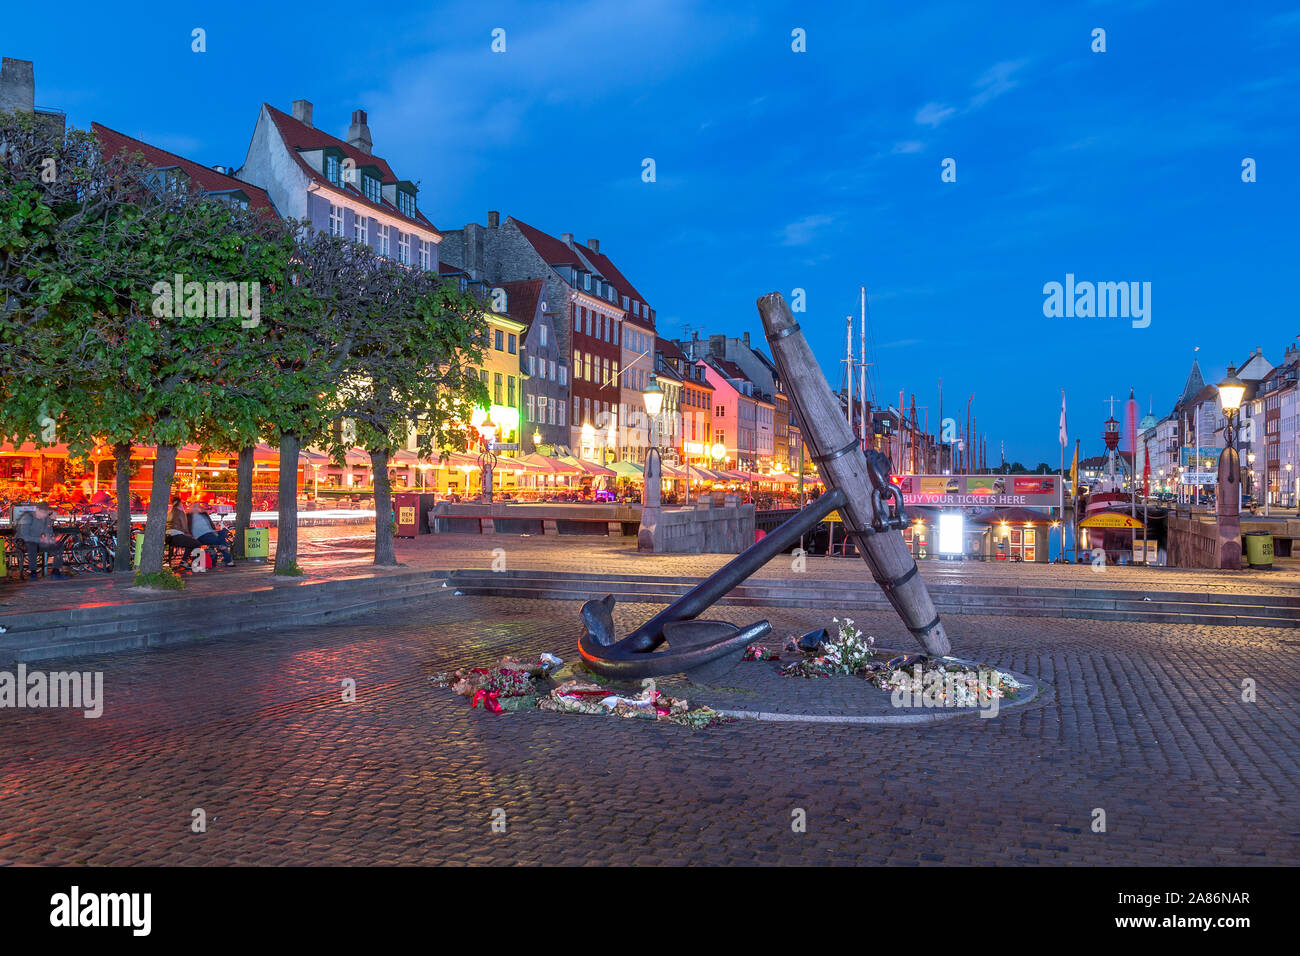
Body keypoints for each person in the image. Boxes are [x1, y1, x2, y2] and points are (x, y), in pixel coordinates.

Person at [15, 502, 65, 579]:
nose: (44, 515)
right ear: (37, 510)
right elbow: (24, 536)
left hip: (39, 542)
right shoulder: (27, 517)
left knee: (59, 545)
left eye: (46, 513)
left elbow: (49, 532)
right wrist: (41, 540)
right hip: (23, 542)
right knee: (32, 546)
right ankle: (33, 572)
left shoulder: (46, 519)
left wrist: (50, 539)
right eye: (43, 512)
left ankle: (56, 571)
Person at [188, 500, 234, 567]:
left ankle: (223, 546)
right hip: (201, 535)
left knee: (223, 532)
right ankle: (228, 560)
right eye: (194, 506)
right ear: (191, 507)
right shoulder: (189, 516)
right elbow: (188, 528)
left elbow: (211, 525)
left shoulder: (203, 515)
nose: (196, 508)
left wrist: (214, 531)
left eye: (198, 506)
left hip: (210, 534)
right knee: (221, 541)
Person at [165, 496, 203, 565]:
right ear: (179, 503)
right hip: (177, 537)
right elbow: (184, 527)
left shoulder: (169, 512)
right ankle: (194, 564)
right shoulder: (180, 512)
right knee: (197, 543)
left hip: (168, 538)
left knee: (190, 542)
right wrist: (190, 535)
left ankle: (184, 561)